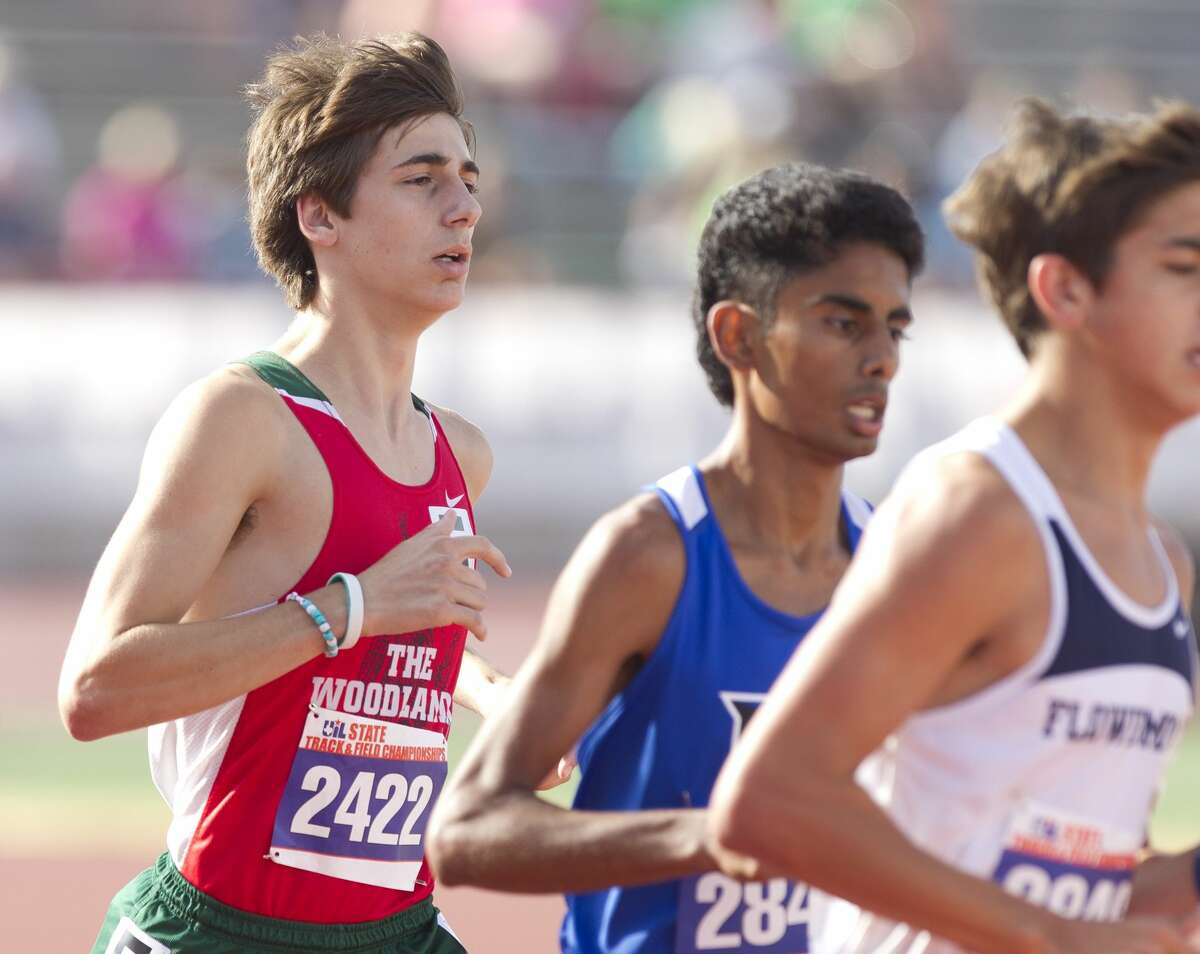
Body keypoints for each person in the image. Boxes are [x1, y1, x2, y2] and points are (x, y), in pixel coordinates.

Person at [59, 33, 520, 954]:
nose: (465, 206)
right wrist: (348, 608)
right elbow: (95, 690)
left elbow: (403, 643)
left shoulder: (458, 454)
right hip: (220, 932)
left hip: (398, 931)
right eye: (422, 179)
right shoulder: (243, 419)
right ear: (321, 216)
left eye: (467, 177)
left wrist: (502, 701)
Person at [707, 99, 1200, 954]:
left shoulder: (1161, 563)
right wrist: (1049, 936)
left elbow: (1086, 886)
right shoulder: (979, 511)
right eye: (1186, 265)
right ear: (1065, 288)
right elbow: (767, 800)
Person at [426, 162, 925, 954]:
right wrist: (712, 838)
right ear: (739, 335)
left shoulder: (896, 568)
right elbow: (470, 828)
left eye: (893, 328)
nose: (882, 359)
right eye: (843, 323)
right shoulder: (650, 556)